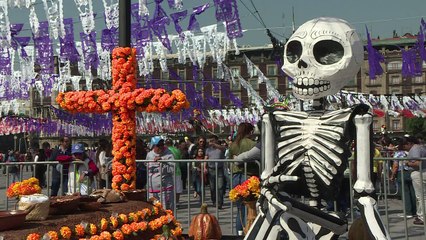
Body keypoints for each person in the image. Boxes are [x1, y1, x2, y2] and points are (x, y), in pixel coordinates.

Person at [228, 122, 257, 233]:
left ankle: (239, 230)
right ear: (250, 131)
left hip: (236, 175)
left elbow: (230, 159)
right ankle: (248, 230)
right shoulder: (253, 144)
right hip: (249, 175)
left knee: (240, 207)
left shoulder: (233, 144)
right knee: (250, 206)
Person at [390, 137, 417, 219]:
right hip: (412, 172)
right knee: (412, 192)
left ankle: (408, 212)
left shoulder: (398, 154)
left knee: (405, 193)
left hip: (402, 173)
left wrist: (392, 176)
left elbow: (395, 166)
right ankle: (414, 211)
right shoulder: (411, 152)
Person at [146, 136, 175, 210]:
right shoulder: (149, 155)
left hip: (165, 188)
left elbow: (173, 168)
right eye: (158, 145)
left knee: (166, 211)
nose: (161, 147)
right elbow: (146, 166)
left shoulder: (169, 154)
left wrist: (163, 160)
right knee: (153, 211)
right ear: (153, 146)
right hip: (152, 189)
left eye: (162, 144)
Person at [405, 136, 426, 225]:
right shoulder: (422, 147)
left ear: (409, 143)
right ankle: (421, 215)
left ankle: (422, 217)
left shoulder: (415, 149)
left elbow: (418, 163)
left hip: (418, 173)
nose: (404, 147)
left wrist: (407, 163)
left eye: (405, 145)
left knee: (420, 196)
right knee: (423, 196)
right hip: (423, 172)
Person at [205, 134, 226, 209]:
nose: (211, 142)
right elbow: (206, 158)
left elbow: (223, 149)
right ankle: (214, 201)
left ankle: (219, 202)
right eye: (210, 141)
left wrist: (215, 144)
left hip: (219, 169)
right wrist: (205, 167)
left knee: (220, 186)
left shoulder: (220, 148)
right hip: (211, 169)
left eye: (213, 140)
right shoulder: (208, 149)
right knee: (212, 187)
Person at [165, 139, 183, 205]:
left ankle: (169, 202)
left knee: (168, 187)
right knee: (178, 188)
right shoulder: (177, 150)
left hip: (168, 171)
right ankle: (177, 202)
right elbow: (180, 159)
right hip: (177, 170)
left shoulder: (165, 151)